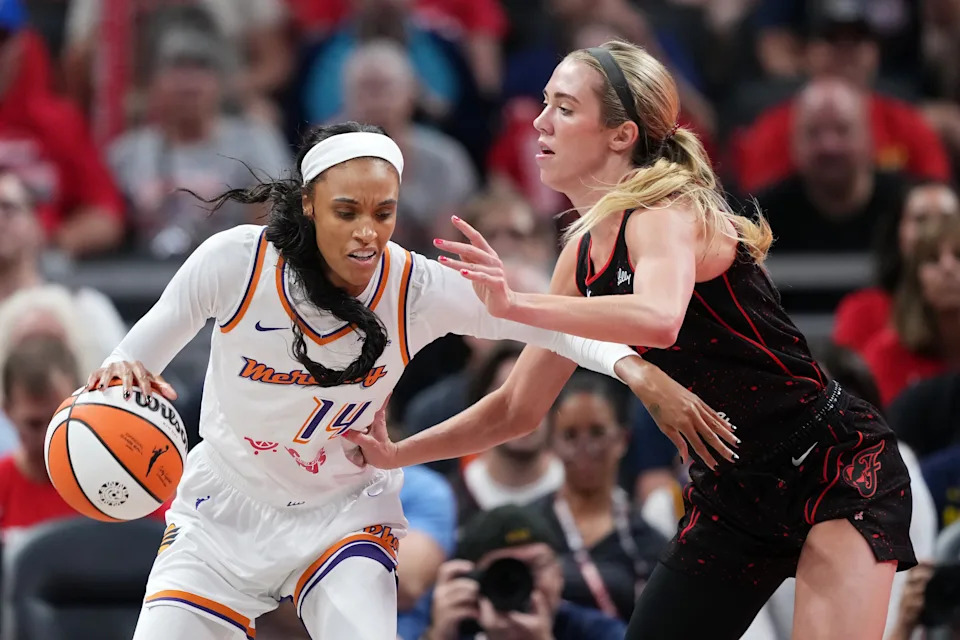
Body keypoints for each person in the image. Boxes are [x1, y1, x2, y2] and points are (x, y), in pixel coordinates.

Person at [347, 42, 917, 640]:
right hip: (732, 492)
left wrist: (518, 304)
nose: (539, 122)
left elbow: (659, 316)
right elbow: (518, 409)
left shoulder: (665, 209)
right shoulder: (581, 254)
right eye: (544, 104)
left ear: (620, 136)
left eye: (563, 108)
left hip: (829, 462)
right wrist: (399, 453)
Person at [86, 121, 735, 640]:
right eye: (347, 211)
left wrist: (636, 371)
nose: (369, 232)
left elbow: (550, 326)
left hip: (339, 513)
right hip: (222, 507)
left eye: (385, 212)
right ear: (308, 204)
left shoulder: (415, 287)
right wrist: (116, 377)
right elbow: (139, 350)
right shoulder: (235, 262)